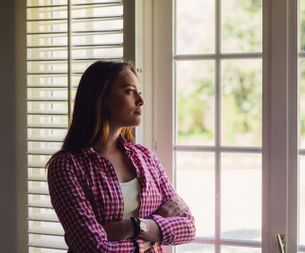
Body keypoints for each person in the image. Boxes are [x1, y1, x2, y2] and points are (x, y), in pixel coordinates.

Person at [46, 60, 196, 253]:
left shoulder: (146, 158)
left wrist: (132, 226)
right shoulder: (67, 167)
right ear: (100, 97)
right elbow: (94, 248)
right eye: (129, 91)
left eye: (139, 91)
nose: (140, 100)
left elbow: (188, 226)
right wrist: (150, 235)